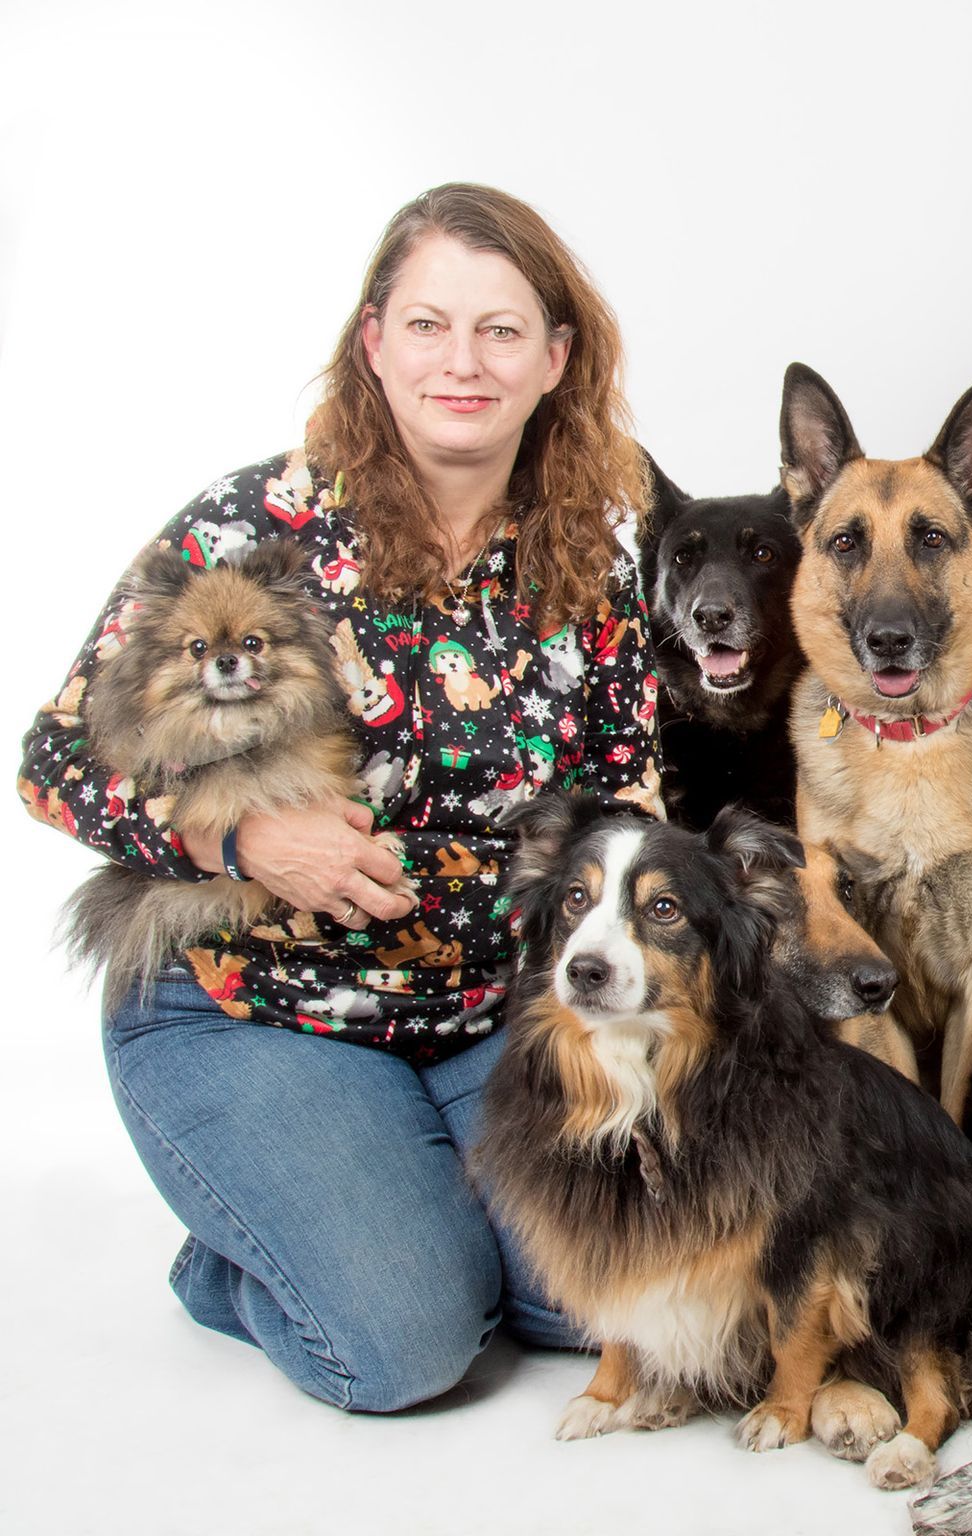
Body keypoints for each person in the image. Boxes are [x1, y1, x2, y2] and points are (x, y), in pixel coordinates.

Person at [19, 183, 662, 1410]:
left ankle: (401, 1190)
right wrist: (246, 834)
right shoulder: (253, 527)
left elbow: (623, 797)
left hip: (486, 1018)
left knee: (630, 1302)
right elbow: (52, 764)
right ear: (374, 344)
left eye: (501, 330)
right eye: (427, 325)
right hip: (251, 1007)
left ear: (554, 360)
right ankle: (243, 1257)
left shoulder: (591, 556)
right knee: (412, 1345)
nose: (461, 363)